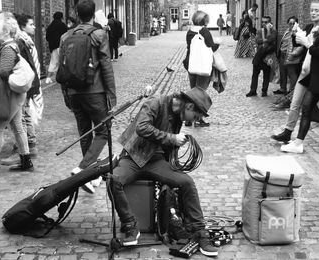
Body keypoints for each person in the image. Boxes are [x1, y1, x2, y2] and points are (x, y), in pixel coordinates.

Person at [111, 87, 218, 257]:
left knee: (186, 182)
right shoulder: (155, 103)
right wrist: (172, 138)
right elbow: (142, 127)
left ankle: (199, 233)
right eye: (196, 117)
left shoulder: (178, 116)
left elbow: (167, 145)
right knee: (113, 180)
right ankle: (130, 225)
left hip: (156, 161)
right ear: (189, 106)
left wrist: (174, 145)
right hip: (133, 158)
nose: (194, 121)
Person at [59, 0, 116, 193]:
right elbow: (106, 66)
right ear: (93, 15)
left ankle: (92, 177)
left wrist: (66, 94)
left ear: (76, 13)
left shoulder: (65, 36)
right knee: (104, 131)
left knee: (85, 133)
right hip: (95, 91)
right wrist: (111, 95)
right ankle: (83, 169)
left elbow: (62, 68)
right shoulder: (99, 35)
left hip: (74, 92)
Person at [281, 0, 319, 155]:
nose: (318, 12)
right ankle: (298, 143)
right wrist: (305, 39)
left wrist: (307, 43)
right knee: (311, 108)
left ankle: (300, 142)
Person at [0, 13, 34, 171]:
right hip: (14, 93)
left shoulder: (8, 48)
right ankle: (26, 161)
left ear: (3, 31)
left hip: (10, 93)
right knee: (17, 126)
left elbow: (4, 72)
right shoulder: (12, 44)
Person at [0, 14, 42, 166]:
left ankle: (26, 149)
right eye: (32, 24)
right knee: (21, 119)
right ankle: (27, 152)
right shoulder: (22, 40)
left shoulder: (15, 43)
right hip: (24, 83)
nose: (34, 27)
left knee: (19, 119)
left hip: (19, 85)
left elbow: (6, 70)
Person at [183, 10, 220, 127]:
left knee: (193, 92)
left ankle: (188, 119)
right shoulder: (204, 31)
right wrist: (218, 43)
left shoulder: (189, 32)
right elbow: (211, 48)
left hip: (191, 65)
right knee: (200, 93)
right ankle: (199, 120)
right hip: (202, 66)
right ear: (203, 20)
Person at [246, 16, 277, 97]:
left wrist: (269, 32)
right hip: (259, 54)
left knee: (266, 74)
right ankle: (253, 90)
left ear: (270, 23)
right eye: (263, 22)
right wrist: (266, 40)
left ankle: (264, 91)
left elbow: (272, 39)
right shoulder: (260, 31)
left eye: (266, 22)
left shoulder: (274, 31)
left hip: (267, 55)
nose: (264, 24)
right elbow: (257, 40)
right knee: (255, 73)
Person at [45, 12, 67, 84]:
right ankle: (64, 77)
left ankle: (48, 78)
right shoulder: (63, 25)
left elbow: (47, 38)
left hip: (54, 47)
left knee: (53, 62)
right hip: (62, 46)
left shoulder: (50, 26)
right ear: (61, 17)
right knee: (64, 62)